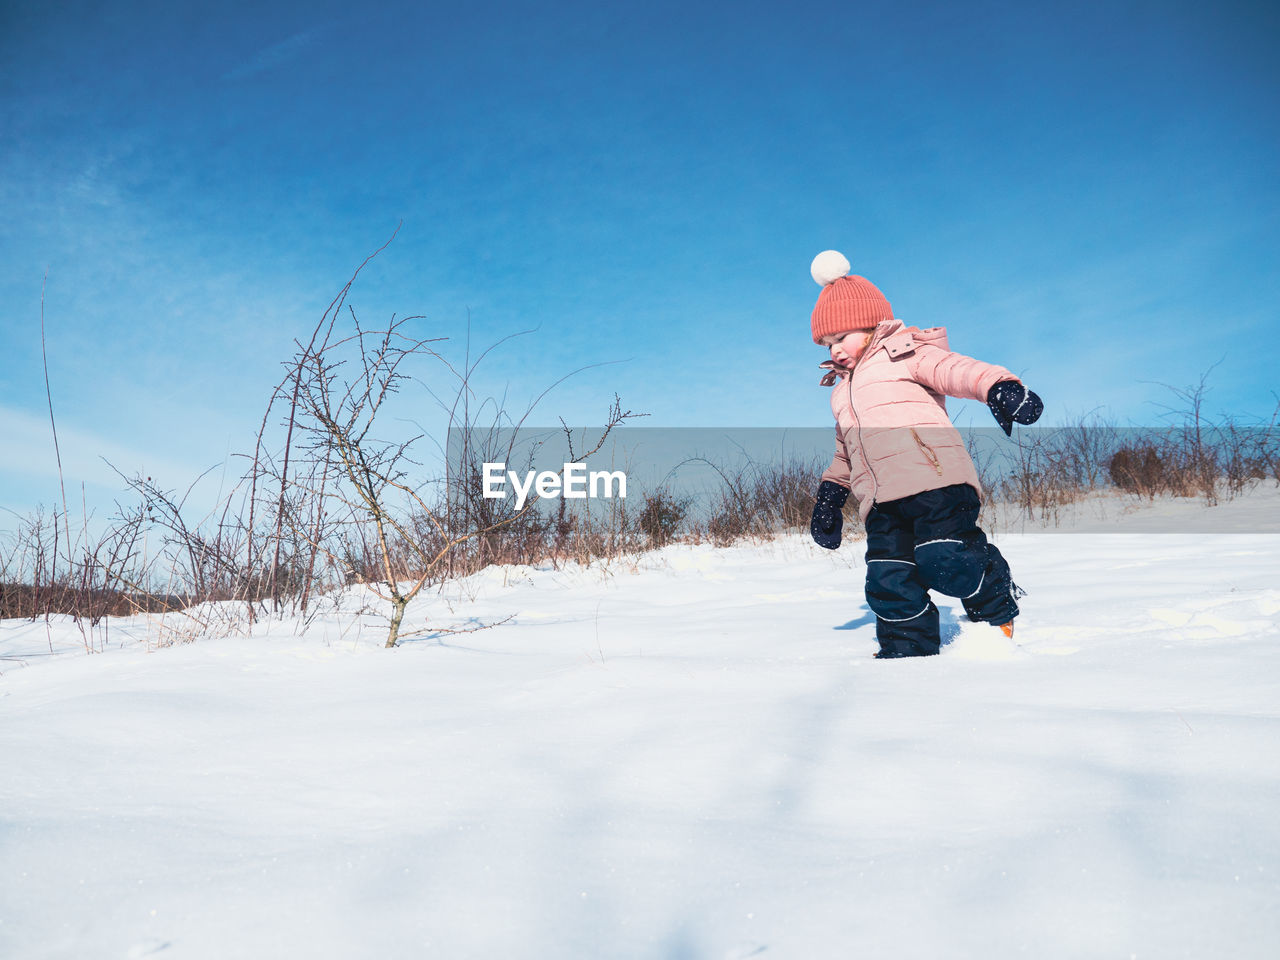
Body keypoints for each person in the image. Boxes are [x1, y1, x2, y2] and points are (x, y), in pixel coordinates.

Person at [806, 250, 1043, 658]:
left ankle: (992, 593)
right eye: (827, 343)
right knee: (889, 580)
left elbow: (957, 369)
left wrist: (999, 386)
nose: (836, 350)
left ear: (870, 325)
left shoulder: (905, 352)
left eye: (841, 337)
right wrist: (830, 497)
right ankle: (907, 656)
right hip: (879, 501)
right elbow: (845, 450)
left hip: (935, 482)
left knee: (946, 558)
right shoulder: (842, 392)